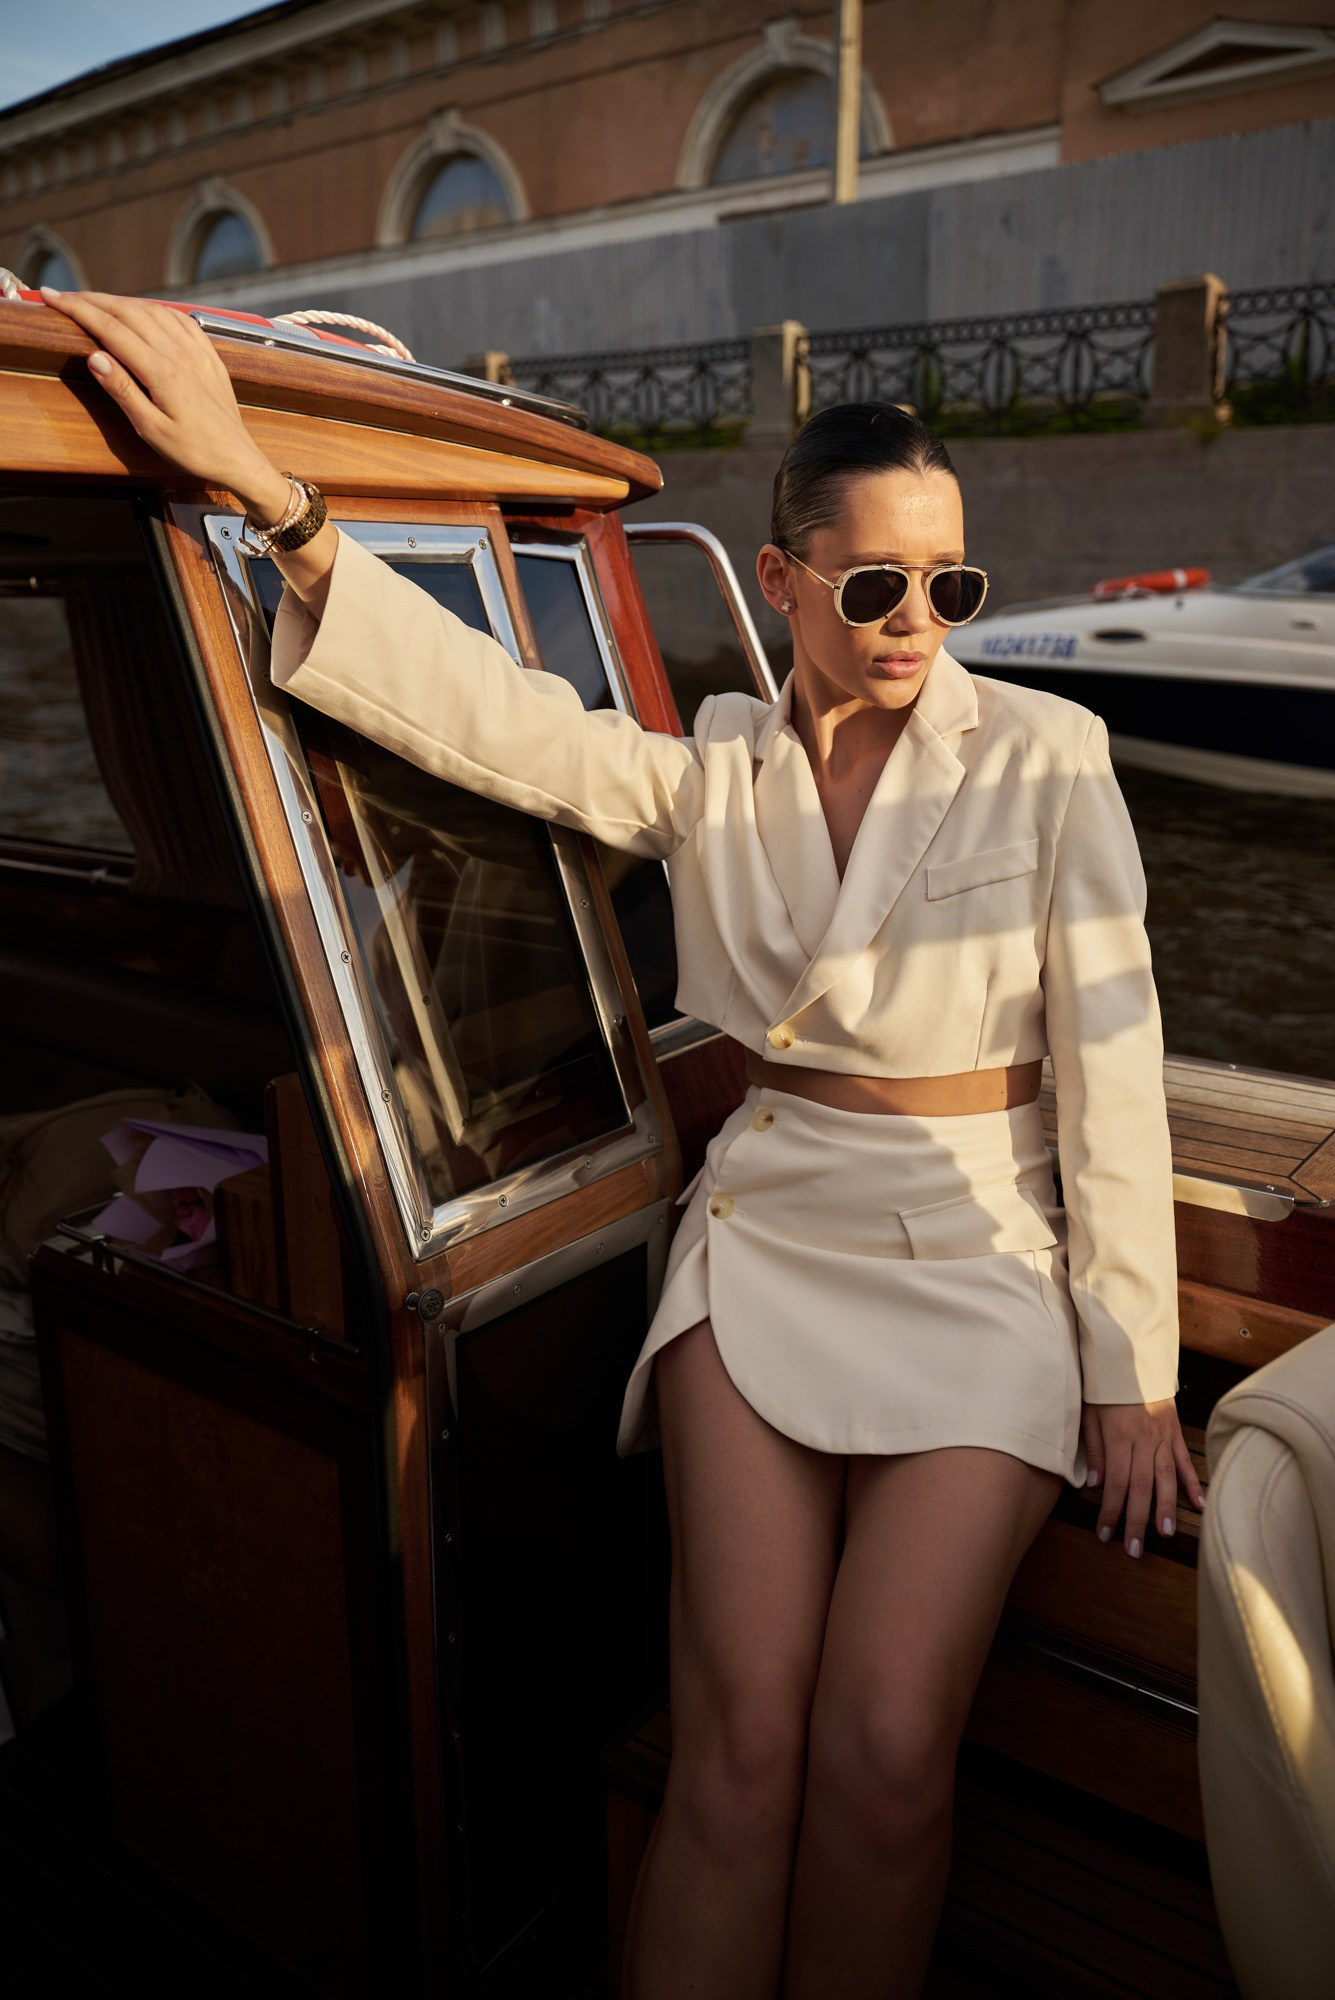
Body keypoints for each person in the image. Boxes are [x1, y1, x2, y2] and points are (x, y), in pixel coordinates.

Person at [44, 289, 1206, 2000]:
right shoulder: (717, 767)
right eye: (875, 587)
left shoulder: (1049, 755)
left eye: (951, 588)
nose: (917, 623)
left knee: (885, 1753)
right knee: (736, 1750)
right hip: (769, 1253)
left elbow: (1115, 1060)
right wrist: (274, 501)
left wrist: (1134, 1370)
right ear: (785, 579)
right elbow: (500, 724)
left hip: (982, 1264)